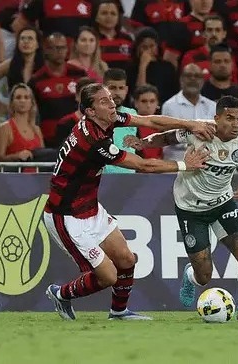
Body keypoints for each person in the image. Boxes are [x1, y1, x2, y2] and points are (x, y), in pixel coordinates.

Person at [43, 82, 215, 321]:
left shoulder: (107, 119)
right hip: (66, 216)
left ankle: (118, 312)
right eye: (104, 101)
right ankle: (60, 294)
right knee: (108, 277)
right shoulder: (93, 142)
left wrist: (191, 124)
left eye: (111, 98)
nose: (112, 103)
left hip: (90, 208)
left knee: (126, 259)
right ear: (90, 111)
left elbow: (150, 121)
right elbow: (143, 165)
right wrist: (186, 165)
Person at [126, 96, 238, 321]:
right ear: (216, 118)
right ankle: (190, 278)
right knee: (204, 276)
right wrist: (144, 143)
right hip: (190, 208)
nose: (236, 124)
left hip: (223, 203)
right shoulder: (200, 130)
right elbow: (167, 137)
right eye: (229, 118)